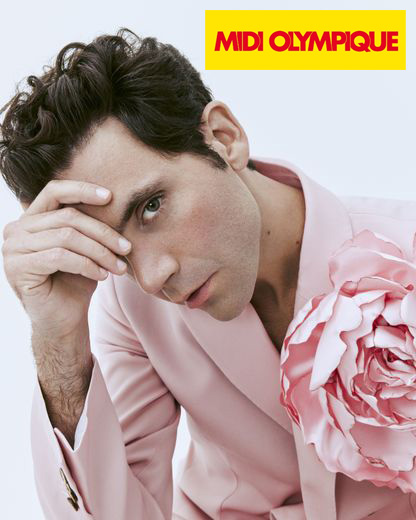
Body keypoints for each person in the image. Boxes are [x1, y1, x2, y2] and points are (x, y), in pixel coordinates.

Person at [1, 28, 415, 520]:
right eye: (114, 247)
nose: (153, 277)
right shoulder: (130, 306)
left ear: (223, 138)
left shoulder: (406, 249)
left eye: (152, 206)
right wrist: (59, 341)